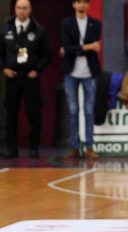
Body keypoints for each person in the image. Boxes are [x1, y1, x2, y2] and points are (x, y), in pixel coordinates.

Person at [0, 0, 51, 159]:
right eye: (19, 8)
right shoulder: (6, 29)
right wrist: (4, 68)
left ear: (30, 10)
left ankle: (33, 148)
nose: (21, 11)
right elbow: (0, 53)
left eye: (24, 8)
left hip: (30, 77)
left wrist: (38, 70)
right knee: (11, 113)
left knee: (34, 113)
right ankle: (11, 149)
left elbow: (47, 54)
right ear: (15, 9)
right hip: (12, 77)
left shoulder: (39, 30)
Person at [60, 0, 102, 160]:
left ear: (88, 5)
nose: (81, 5)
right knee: (73, 110)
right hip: (71, 71)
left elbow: (72, 48)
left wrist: (75, 49)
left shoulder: (95, 24)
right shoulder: (66, 23)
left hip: (89, 71)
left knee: (89, 111)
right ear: (74, 5)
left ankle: (90, 146)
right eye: (78, 2)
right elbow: (66, 47)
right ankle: (75, 147)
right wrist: (87, 47)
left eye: (84, 2)